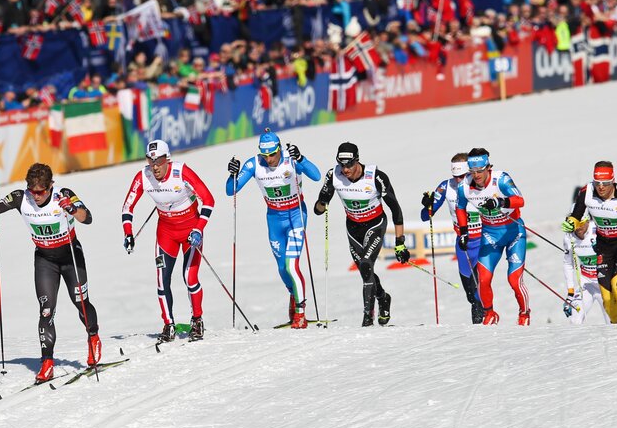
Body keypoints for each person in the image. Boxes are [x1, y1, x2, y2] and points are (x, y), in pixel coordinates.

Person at [0, 163, 102, 383]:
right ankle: (47, 362)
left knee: (81, 302)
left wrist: (72, 209)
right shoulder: (20, 197)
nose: (35, 196)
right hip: (45, 260)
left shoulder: (64, 195)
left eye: (40, 191)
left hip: (70, 256)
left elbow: (88, 217)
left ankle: (93, 337)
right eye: (32, 190)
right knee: (46, 311)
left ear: (50, 186)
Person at [121, 140, 215, 343]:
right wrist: (128, 233)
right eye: (150, 160)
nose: (155, 166)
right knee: (162, 280)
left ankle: (197, 320)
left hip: (191, 231)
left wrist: (199, 229)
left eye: (159, 161)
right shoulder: (143, 177)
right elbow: (127, 206)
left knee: (190, 277)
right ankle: (168, 324)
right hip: (166, 233)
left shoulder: (181, 172)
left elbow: (209, 200)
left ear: (167, 159)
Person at [225, 130, 321, 327]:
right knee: (281, 268)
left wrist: (301, 158)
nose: (269, 159)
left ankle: (300, 313)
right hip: (274, 219)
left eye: (272, 154)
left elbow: (317, 175)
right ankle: (294, 295)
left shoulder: (291, 159)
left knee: (291, 265)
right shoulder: (254, 164)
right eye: (265, 154)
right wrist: (232, 174)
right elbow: (230, 190)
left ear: (279, 149)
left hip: (296, 216)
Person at [314, 142, 410, 326]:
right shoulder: (333, 175)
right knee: (366, 272)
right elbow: (318, 210)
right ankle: (383, 297)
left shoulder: (376, 177)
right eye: (341, 164)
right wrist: (322, 200)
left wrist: (400, 243)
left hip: (375, 225)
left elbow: (396, 209)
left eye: (349, 164)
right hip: (353, 228)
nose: (345, 169)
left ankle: (367, 318)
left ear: (357, 161)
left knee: (366, 264)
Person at [456, 148, 529, 325]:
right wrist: (464, 231)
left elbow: (520, 200)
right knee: (483, 279)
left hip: (514, 233)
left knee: (514, 280)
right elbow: (460, 208)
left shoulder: (501, 179)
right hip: (490, 235)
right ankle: (489, 313)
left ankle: (524, 314)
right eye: (472, 172)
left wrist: (501, 201)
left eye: (480, 171)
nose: (476, 175)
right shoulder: (464, 186)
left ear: (488, 167)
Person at [421, 153, 484, 324]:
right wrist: (428, 204)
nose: (458, 181)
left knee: (480, 290)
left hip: (483, 241)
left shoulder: (480, 185)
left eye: (462, 176)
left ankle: (483, 327)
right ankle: (481, 320)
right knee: (470, 293)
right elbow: (425, 216)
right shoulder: (446, 186)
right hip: (463, 244)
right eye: (455, 176)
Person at [563, 161, 617, 323]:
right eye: (597, 183)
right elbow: (577, 213)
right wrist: (571, 223)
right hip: (604, 248)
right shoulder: (587, 191)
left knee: (616, 286)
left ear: (613, 181)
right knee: (608, 302)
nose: (601, 187)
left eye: (606, 183)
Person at [562, 216, 608, 324]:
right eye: (575, 225)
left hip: (605, 284)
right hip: (586, 284)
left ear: (588, 221)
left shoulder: (598, 230)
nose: (578, 228)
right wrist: (570, 293)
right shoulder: (569, 237)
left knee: (613, 325)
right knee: (574, 319)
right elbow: (568, 263)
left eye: (581, 223)